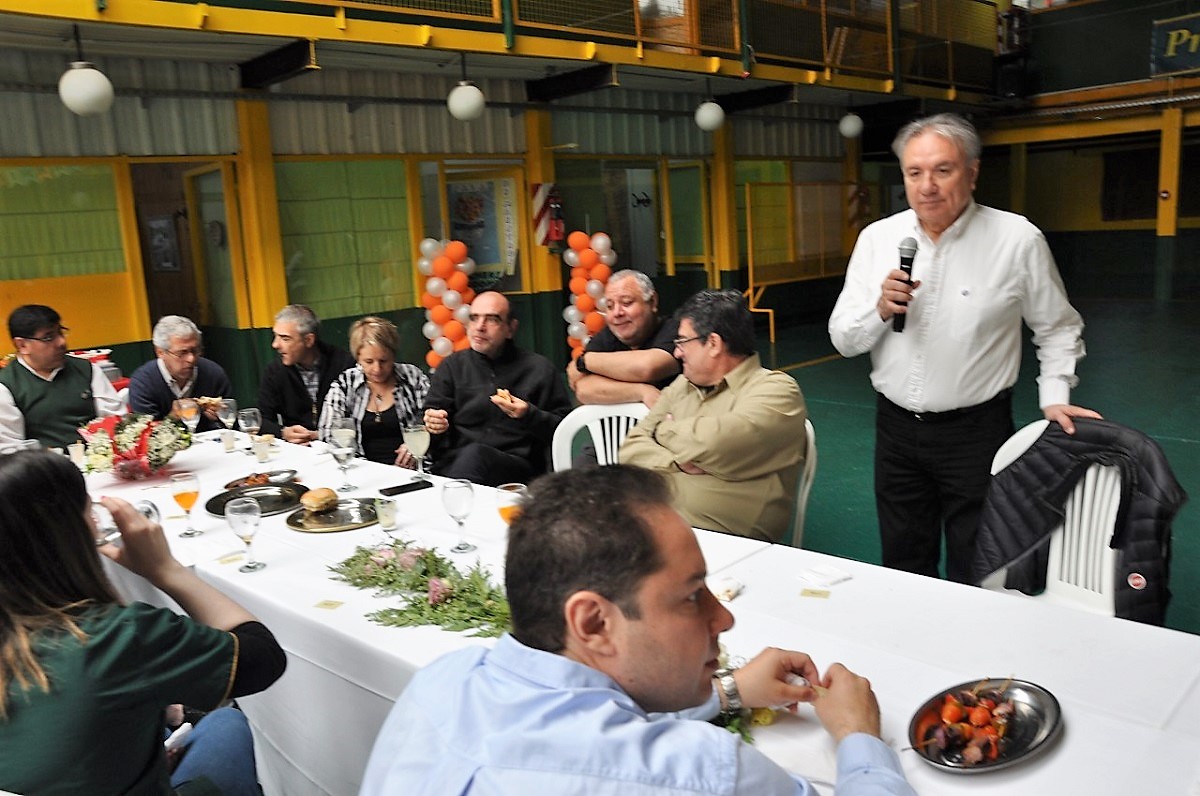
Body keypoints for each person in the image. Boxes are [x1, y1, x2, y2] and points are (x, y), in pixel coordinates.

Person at [360, 465, 914, 796]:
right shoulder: (705, 772)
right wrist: (859, 739)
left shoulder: (440, 684)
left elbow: (574, 736)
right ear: (595, 622)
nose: (724, 619)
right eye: (692, 596)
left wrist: (730, 691)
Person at [828, 112, 1101, 583]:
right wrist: (879, 309)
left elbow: (1057, 326)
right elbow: (844, 340)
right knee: (902, 562)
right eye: (914, 173)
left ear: (972, 173)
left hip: (976, 433)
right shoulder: (878, 240)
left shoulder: (1016, 240)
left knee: (978, 563)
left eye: (942, 170)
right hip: (895, 431)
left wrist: (1055, 395)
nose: (927, 186)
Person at [0, 449, 287, 795]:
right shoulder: (114, 637)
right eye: (90, 510)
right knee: (227, 721)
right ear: (74, 532)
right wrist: (166, 571)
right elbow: (262, 658)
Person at [620, 290, 807, 542]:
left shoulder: (776, 390)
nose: (677, 353)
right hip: (660, 527)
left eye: (682, 342)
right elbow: (629, 449)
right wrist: (676, 462)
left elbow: (716, 444)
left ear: (714, 344)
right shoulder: (681, 385)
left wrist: (663, 432)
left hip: (730, 541)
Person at [422, 291, 572, 486]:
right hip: (454, 466)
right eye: (474, 318)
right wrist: (433, 424)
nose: (479, 327)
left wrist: (528, 414)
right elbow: (427, 419)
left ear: (511, 328)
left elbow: (564, 429)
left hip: (517, 470)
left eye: (492, 319)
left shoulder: (539, 369)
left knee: (476, 455)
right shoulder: (452, 366)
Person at [0, 304, 124, 448]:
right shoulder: (7, 386)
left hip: (97, 461)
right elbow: (10, 447)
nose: (61, 342)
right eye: (48, 337)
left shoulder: (87, 370)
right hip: (43, 466)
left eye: (61, 332)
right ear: (22, 345)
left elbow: (116, 421)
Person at [318, 316, 429, 468]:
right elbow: (327, 432)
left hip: (412, 471)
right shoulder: (346, 383)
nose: (377, 369)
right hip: (362, 471)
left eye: (384, 361)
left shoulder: (412, 377)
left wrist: (416, 445)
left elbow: (431, 417)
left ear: (393, 356)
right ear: (358, 357)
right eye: (368, 362)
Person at [566, 269, 681, 408]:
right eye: (610, 306)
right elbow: (584, 388)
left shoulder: (675, 330)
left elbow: (647, 367)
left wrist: (584, 361)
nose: (617, 313)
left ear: (652, 302)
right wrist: (641, 391)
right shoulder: (608, 335)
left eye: (627, 303)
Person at [258, 304, 355, 444]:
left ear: (309, 340)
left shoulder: (344, 364)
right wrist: (283, 432)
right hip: (297, 450)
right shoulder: (275, 371)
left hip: (339, 446)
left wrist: (321, 434)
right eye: (275, 336)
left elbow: (358, 418)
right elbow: (261, 420)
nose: (275, 345)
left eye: (285, 338)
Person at [128, 315, 233, 433]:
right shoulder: (143, 383)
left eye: (195, 350)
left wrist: (219, 419)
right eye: (182, 353)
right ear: (160, 352)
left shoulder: (214, 374)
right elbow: (146, 437)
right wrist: (173, 417)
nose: (191, 359)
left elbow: (231, 425)